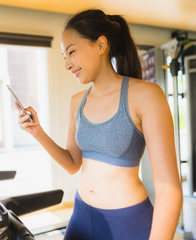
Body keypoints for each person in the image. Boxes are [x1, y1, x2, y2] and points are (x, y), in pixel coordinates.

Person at [15, 9, 183, 240]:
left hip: (128, 223)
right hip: (82, 217)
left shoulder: (146, 95)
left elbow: (169, 190)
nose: (67, 64)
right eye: (65, 56)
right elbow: (74, 164)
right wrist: (37, 132)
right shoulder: (77, 102)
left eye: (72, 52)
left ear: (101, 44)